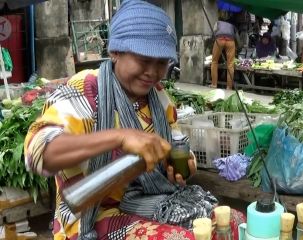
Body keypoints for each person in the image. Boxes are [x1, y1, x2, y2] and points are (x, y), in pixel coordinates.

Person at [24, 1, 245, 239]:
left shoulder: (159, 98)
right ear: (115, 52)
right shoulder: (86, 89)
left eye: (161, 62)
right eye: (143, 59)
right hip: (93, 215)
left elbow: (176, 145)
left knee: (231, 221)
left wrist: (181, 166)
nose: (152, 72)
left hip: (151, 201)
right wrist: (118, 137)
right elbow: (39, 154)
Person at [210, 11, 239, 90]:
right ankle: (229, 87)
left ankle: (214, 84)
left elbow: (213, 33)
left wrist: (212, 42)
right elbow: (237, 37)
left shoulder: (217, 23)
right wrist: (238, 47)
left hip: (219, 39)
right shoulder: (232, 25)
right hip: (230, 41)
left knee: (214, 62)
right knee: (230, 64)